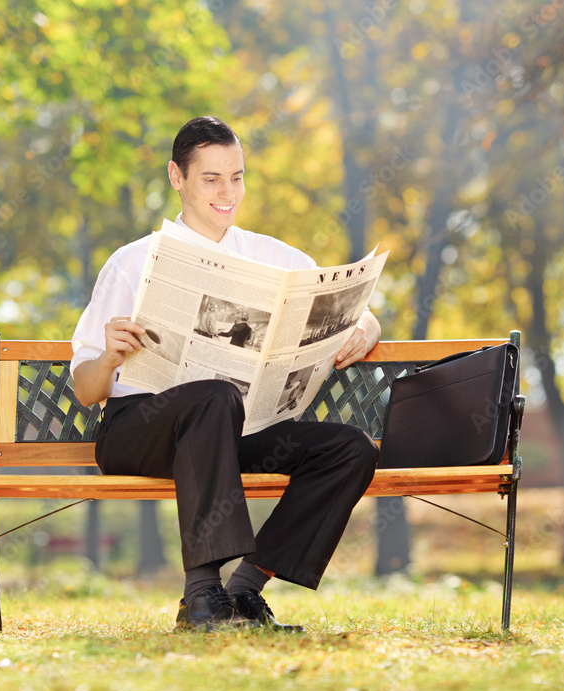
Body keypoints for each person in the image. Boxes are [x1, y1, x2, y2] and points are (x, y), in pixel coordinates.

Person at [70, 116, 381, 632]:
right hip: (139, 430)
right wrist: (107, 358)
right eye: (211, 178)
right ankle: (200, 598)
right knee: (212, 397)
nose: (227, 191)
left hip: (234, 430)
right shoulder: (132, 262)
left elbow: (353, 304)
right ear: (177, 177)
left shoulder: (271, 255)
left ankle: (243, 591)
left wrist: (364, 329)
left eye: (236, 176)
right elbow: (86, 391)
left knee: (351, 449)